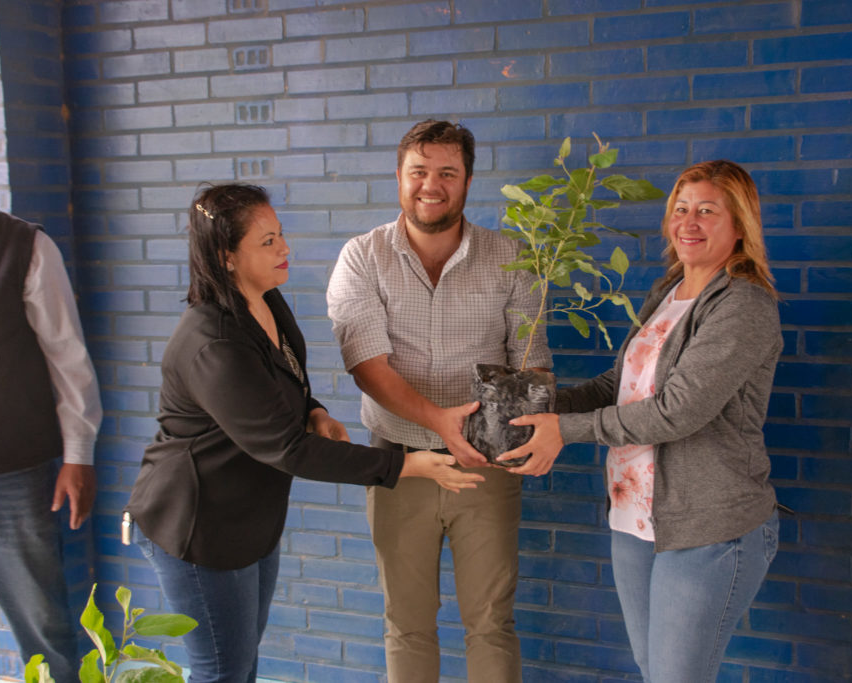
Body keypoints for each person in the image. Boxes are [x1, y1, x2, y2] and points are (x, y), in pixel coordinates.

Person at [125, 184, 481, 683]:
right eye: (267, 242)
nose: (285, 249)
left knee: (242, 662)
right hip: (198, 526)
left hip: (249, 520)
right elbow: (287, 449)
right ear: (227, 257)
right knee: (222, 672)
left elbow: (279, 385)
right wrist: (405, 465)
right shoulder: (215, 343)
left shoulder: (267, 303)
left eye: (281, 235)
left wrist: (314, 411)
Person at [499, 160, 782, 682]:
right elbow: (619, 387)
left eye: (706, 211)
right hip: (635, 519)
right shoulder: (667, 293)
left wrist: (565, 431)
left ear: (739, 224)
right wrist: (543, 405)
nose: (688, 222)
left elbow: (677, 412)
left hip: (708, 528)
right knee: (657, 671)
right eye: (680, 209)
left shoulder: (743, 305)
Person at [326, 120, 552, 683]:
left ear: (468, 181)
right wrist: (435, 421)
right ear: (399, 177)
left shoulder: (512, 257)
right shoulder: (362, 257)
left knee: (491, 623)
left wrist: (531, 423)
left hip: (486, 467)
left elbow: (533, 362)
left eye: (447, 172)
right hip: (399, 465)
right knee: (406, 624)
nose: (432, 185)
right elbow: (367, 366)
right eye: (419, 171)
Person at [0, 149, 102, 682]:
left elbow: (69, 358)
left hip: (11, 478)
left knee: (45, 631)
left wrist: (78, 455)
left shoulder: (23, 246)